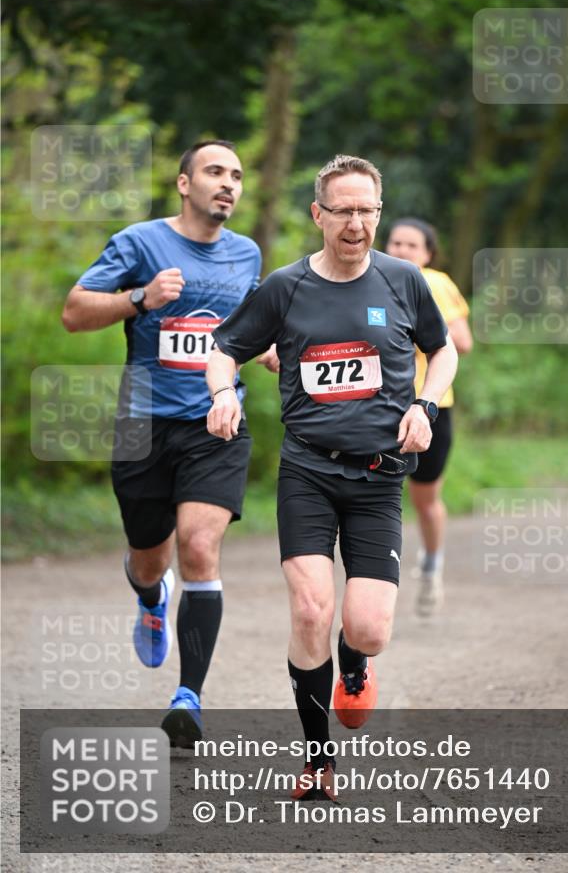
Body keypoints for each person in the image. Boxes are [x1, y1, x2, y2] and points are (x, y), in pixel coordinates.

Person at [207, 154, 458, 799]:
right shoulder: (286, 288)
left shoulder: (404, 280)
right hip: (308, 474)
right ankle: (318, 761)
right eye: (342, 210)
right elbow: (224, 347)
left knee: (367, 628)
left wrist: (425, 405)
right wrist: (224, 393)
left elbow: (444, 347)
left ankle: (355, 666)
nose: (356, 223)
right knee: (312, 607)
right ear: (318, 214)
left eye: (366, 210)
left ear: (378, 212)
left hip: (380, 481)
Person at [62, 140, 261, 745]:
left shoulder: (247, 255)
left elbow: (247, 331)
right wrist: (139, 299)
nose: (227, 184)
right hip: (143, 425)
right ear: (183, 182)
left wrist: (275, 352)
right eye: (214, 172)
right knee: (152, 557)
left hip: (215, 423)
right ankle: (151, 596)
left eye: (236, 175)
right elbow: (74, 312)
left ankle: (189, 697)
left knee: (200, 545)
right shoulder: (140, 242)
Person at [385, 219, 472, 615]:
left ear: (428, 254)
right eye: (396, 242)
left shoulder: (437, 284)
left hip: (432, 405)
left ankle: (433, 562)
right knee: (377, 492)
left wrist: (420, 332)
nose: (402, 251)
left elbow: (464, 342)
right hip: (382, 406)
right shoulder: (373, 277)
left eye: (412, 245)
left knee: (425, 498)